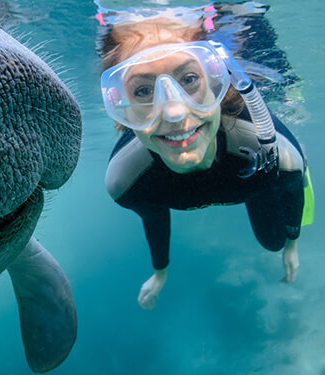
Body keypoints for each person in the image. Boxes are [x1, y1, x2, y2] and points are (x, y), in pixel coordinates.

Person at [98, 12, 313, 310]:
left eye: (189, 79)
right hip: (251, 177)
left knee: (274, 240)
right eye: (144, 91)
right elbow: (153, 214)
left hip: (260, 176)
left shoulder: (273, 153)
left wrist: (292, 246)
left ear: (215, 81)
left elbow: (291, 189)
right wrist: (160, 271)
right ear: (120, 105)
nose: (174, 113)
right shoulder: (125, 182)